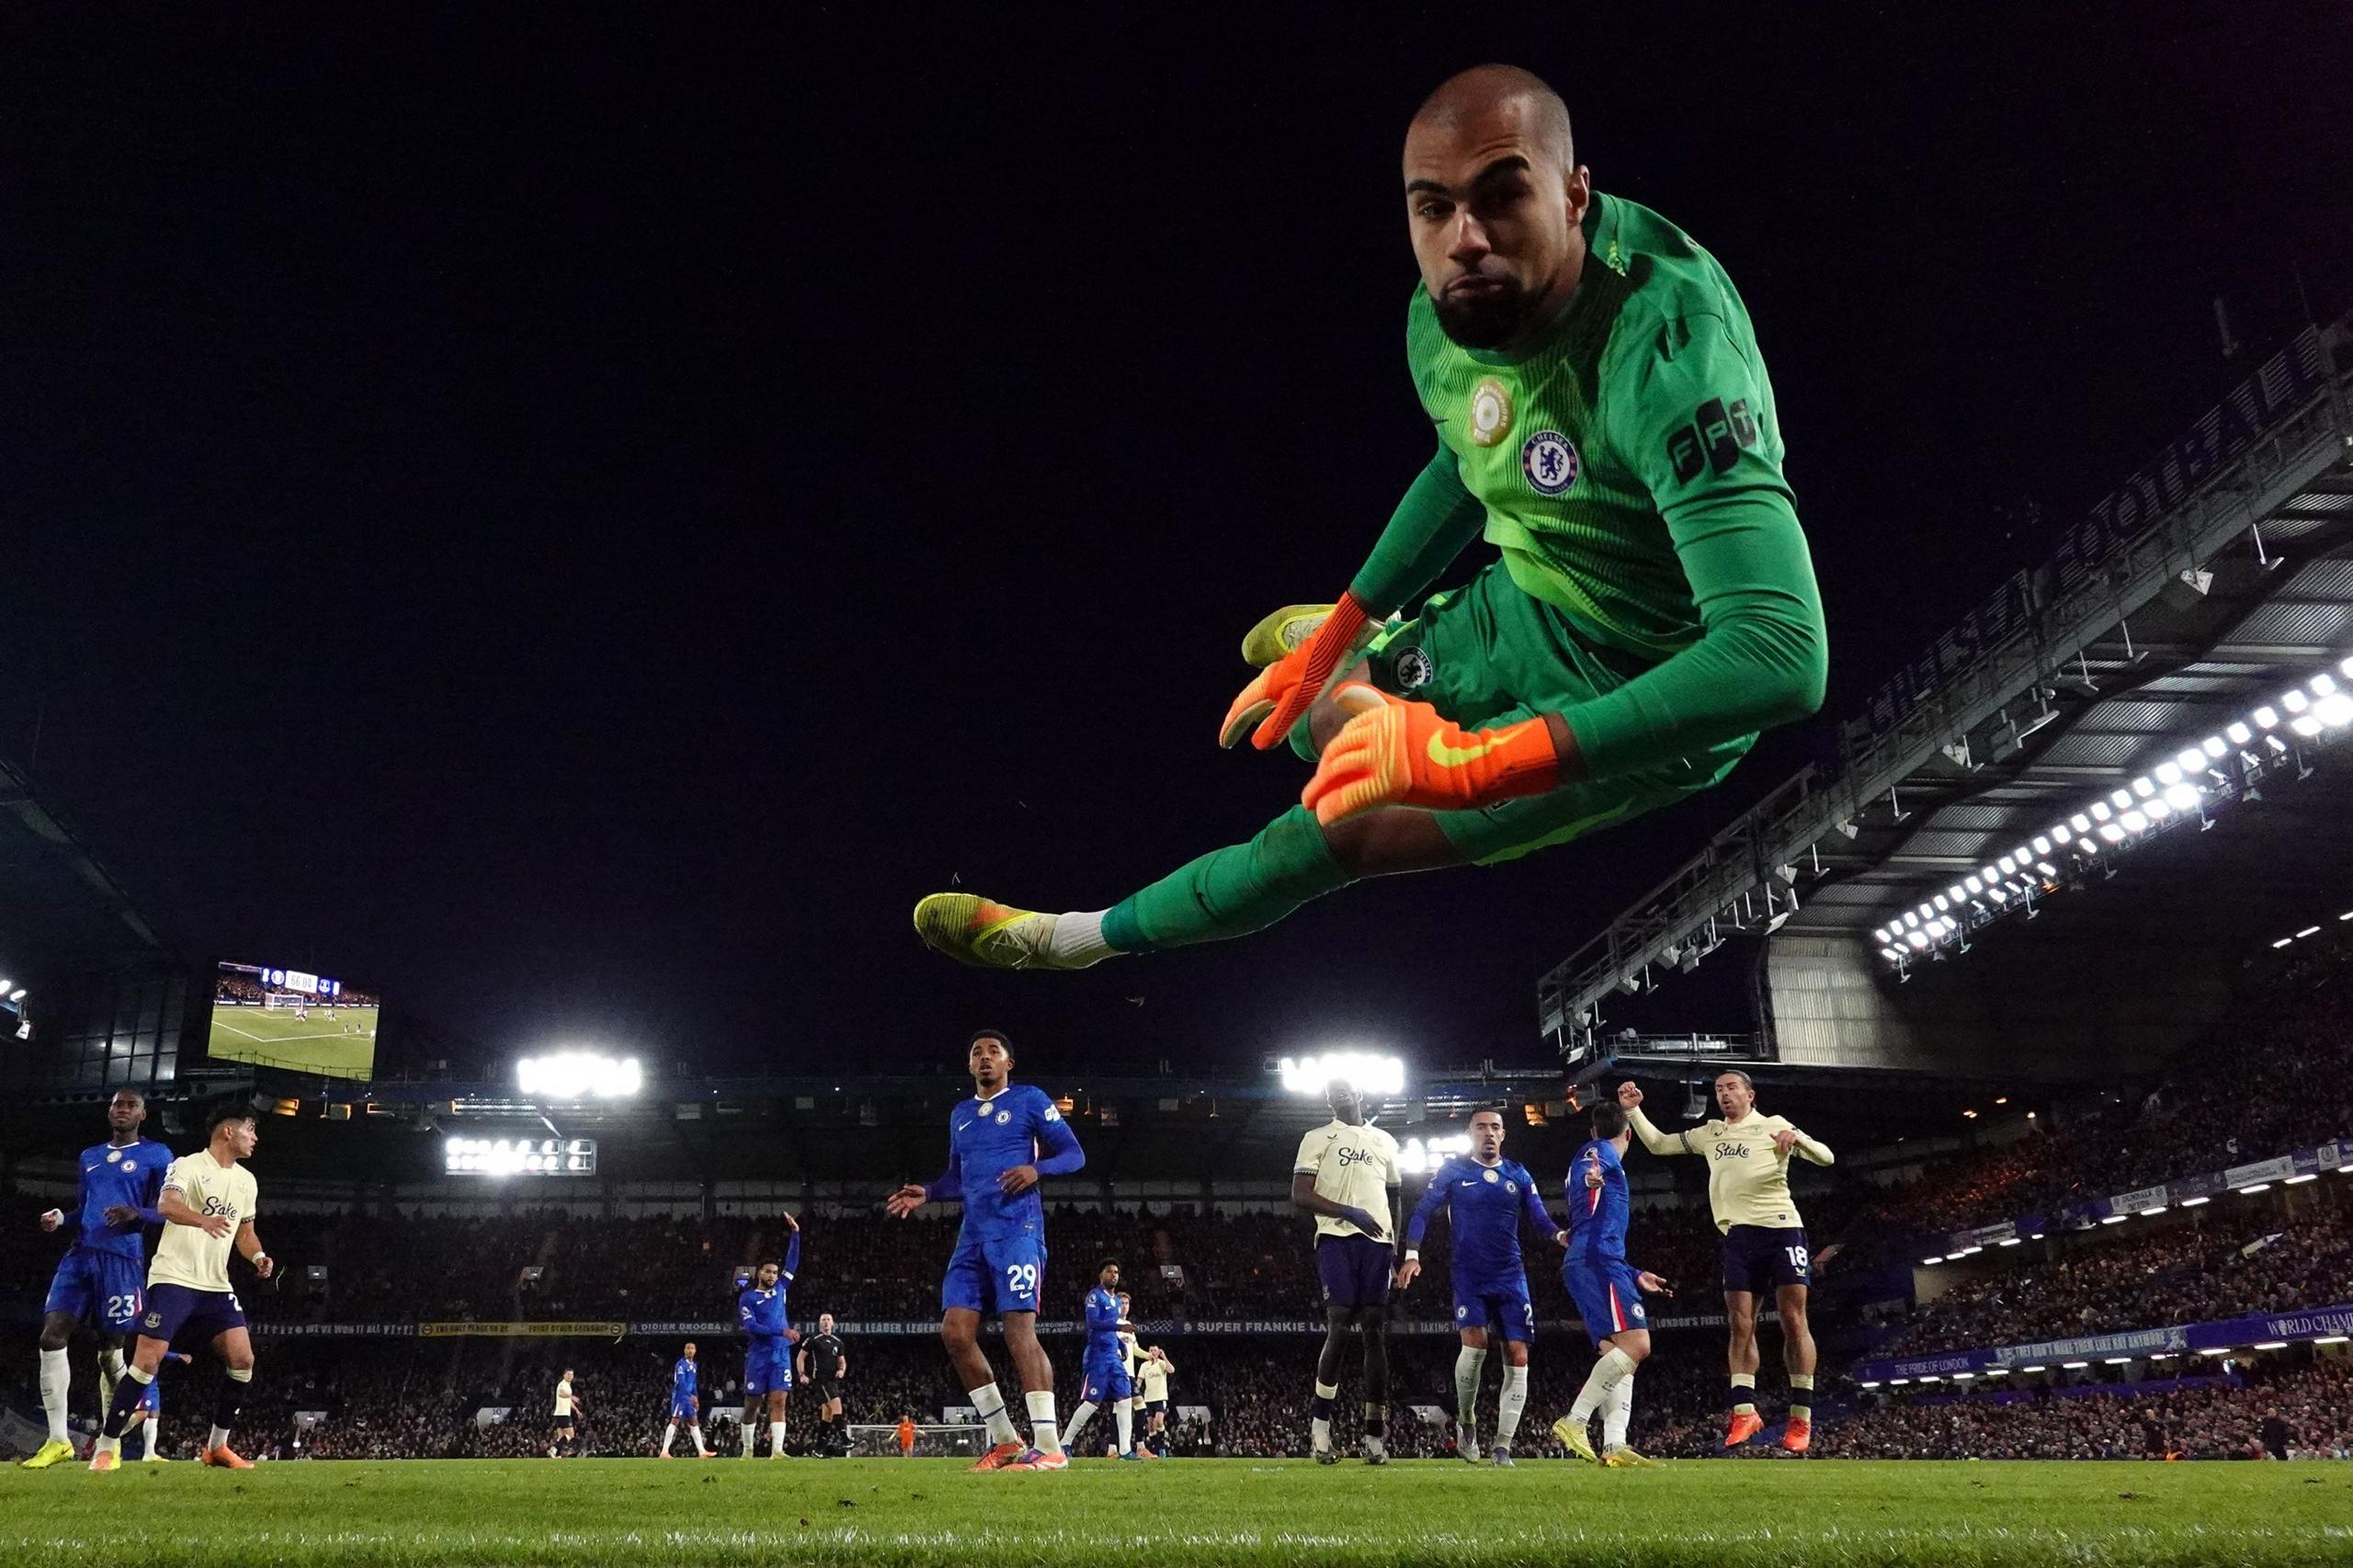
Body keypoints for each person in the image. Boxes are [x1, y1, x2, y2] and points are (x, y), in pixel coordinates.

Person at [914, 62, 1824, 973]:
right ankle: (1360, 639)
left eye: (1501, 196)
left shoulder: (1669, 348)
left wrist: (1478, 762)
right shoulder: (1444, 314)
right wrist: (1347, 619)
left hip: (1650, 681)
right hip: (1527, 595)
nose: (1464, 238)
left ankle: (1062, 938)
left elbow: (1778, 654)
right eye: (1432, 208)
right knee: (1319, 721)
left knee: (1336, 833)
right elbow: (1463, 464)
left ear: (1575, 194)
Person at [887, 1028, 1086, 1471]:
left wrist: (1037, 1169)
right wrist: (931, 1193)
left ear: (1008, 1063)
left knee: (1019, 1331)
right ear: (969, 1065)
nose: (984, 1058)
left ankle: (1050, 1446)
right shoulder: (960, 1114)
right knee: (955, 1333)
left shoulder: (1030, 1099)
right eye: (976, 1052)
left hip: (1018, 1230)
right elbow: (958, 1176)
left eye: (993, 1052)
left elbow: (1075, 1154)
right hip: (972, 1236)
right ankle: (1005, 1441)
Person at [1619, 1073, 1833, 1451]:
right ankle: (1745, 1412)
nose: (1724, 1094)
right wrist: (1634, 1111)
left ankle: (1801, 1419)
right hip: (1739, 1236)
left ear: (1750, 1094)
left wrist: (1798, 1140)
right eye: (1719, 1089)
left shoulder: (1774, 1125)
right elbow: (1658, 1145)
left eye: (1731, 1087)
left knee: (1793, 1318)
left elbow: (1826, 1158)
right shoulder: (1710, 1133)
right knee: (1739, 1323)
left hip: (1782, 1228)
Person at [88, 1106, 273, 1471]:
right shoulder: (188, 1166)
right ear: (227, 1133)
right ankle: (106, 1448)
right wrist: (203, 1220)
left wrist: (258, 1257)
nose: (255, 1137)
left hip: (215, 1285)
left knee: (243, 1360)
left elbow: (245, 1233)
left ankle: (216, 1448)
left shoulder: (247, 1181)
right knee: (146, 1362)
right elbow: (166, 1204)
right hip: (174, 1276)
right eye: (250, 1130)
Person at [1395, 1107, 1564, 1465]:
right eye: (1482, 1127)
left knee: (1518, 1354)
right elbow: (1423, 1210)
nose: (1489, 1133)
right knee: (1475, 1346)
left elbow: (1539, 1217)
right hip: (1469, 1274)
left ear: (1503, 1135)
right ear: (1471, 1134)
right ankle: (1467, 1421)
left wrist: (1559, 1234)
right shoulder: (1453, 1171)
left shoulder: (1518, 1174)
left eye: (1495, 1128)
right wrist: (1412, 1253)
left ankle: (1502, 1446)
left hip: (1510, 1275)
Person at [23, 1088, 170, 1469]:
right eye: (117, 1105)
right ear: (109, 1112)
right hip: (80, 1255)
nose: (122, 1110)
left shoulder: (157, 1155)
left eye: (130, 1106)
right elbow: (83, 1208)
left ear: (143, 1114)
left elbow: (167, 1210)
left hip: (122, 1260)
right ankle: (58, 1440)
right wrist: (61, 1218)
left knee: (110, 1353)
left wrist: (135, 1213)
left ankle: (112, 1440)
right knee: (51, 1336)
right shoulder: (90, 1156)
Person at [1552, 1101, 1674, 1465]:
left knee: (1618, 1354)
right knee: (1638, 1344)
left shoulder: (1595, 1154)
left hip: (1596, 1260)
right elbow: (1594, 1163)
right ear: (1629, 1134)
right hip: (1597, 1262)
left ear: (1593, 1129)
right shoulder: (1601, 1151)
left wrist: (1636, 1273)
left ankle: (1614, 1445)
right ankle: (1574, 1421)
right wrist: (1595, 1172)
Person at [1290, 1077, 1402, 1463]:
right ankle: (1320, 1431)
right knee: (1339, 1323)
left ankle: (1375, 1438)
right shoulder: (1317, 1137)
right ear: (1327, 1102)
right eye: (1329, 1091)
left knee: (1374, 1329)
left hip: (1379, 1245)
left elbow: (1396, 1196)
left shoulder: (1385, 1141)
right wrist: (1348, 1212)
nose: (1337, 1093)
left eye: (1344, 1088)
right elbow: (1300, 1195)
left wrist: (1397, 1249)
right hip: (1336, 1238)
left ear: (1359, 1095)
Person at [1061, 1260, 1142, 1460]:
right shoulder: (1094, 1296)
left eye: (1116, 1272)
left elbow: (1111, 1327)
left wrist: (1121, 1345)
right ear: (1101, 1275)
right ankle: (1065, 1443)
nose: (1114, 1275)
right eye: (1109, 1272)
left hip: (1113, 1358)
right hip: (1097, 1358)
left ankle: (1124, 1450)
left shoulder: (1115, 1301)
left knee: (1125, 1399)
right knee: (1092, 1402)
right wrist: (1119, 1328)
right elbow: (1093, 1323)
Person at [737, 1213, 801, 1460]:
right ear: (759, 1274)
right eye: (768, 1272)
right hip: (758, 1355)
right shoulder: (748, 1298)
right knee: (752, 1404)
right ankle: (748, 1450)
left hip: (781, 1354)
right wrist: (781, 1330)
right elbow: (752, 1327)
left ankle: (777, 1451)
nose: (773, 1275)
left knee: (779, 1401)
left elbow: (793, 1263)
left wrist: (795, 1233)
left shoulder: (781, 1289)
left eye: (775, 1272)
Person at [119, 1350, 193, 1462]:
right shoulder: (145, 1334)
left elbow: (160, 1349)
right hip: (142, 1376)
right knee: (143, 1413)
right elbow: (155, 1348)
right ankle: (108, 1438)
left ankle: (149, 1453)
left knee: (154, 1414)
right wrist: (177, 1356)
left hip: (152, 1379)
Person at [797, 1312, 847, 1456]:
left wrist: (842, 1370)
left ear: (832, 1323)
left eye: (828, 1319)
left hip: (831, 1380)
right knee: (837, 1405)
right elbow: (800, 1358)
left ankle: (818, 1449)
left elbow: (842, 1361)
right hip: (820, 1379)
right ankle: (845, 1439)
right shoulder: (813, 1340)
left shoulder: (838, 1342)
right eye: (823, 1319)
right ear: (820, 1323)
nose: (826, 1322)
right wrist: (802, 1374)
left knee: (827, 1414)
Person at [660, 1342, 710, 1458]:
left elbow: (693, 1383)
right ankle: (664, 1451)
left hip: (689, 1397)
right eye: (688, 1348)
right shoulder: (681, 1365)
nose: (690, 1350)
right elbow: (681, 1383)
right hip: (680, 1397)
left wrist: (695, 1396)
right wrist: (689, 1395)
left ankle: (702, 1451)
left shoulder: (694, 1365)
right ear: (684, 1351)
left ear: (695, 1351)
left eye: (692, 1348)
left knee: (694, 1421)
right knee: (675, 1421)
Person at [1135, 1343, 1174, 1457]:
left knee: (1158, 1421)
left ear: (1158, 1352)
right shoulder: (1144, 1366)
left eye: (1154, 1350)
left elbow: (1171, 1370)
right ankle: (1156, 1449)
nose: (1152, 1352)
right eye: (1150, 1350)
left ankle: (1162, 1446)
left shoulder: (1162, 1364)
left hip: (1160, 1398)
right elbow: (1139, 1381)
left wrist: (1164, 1357)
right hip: (1148, 1398)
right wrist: (1134, 1391)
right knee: (1151, 1426)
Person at [551, 1369, 583, 1458]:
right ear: (564, 1375)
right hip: (563, 1413)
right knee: (570, 1435)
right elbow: (561, 1393)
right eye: (568, 1374)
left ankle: (557, 1455)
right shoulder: (562, 1384)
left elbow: (568, 1401)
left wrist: (576, 1410)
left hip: (561, 1413)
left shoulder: (568, 1386)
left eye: (571, 1375)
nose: (570, 1376)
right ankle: (554, 1448)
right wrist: (571, 1396)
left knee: (561, 1437)